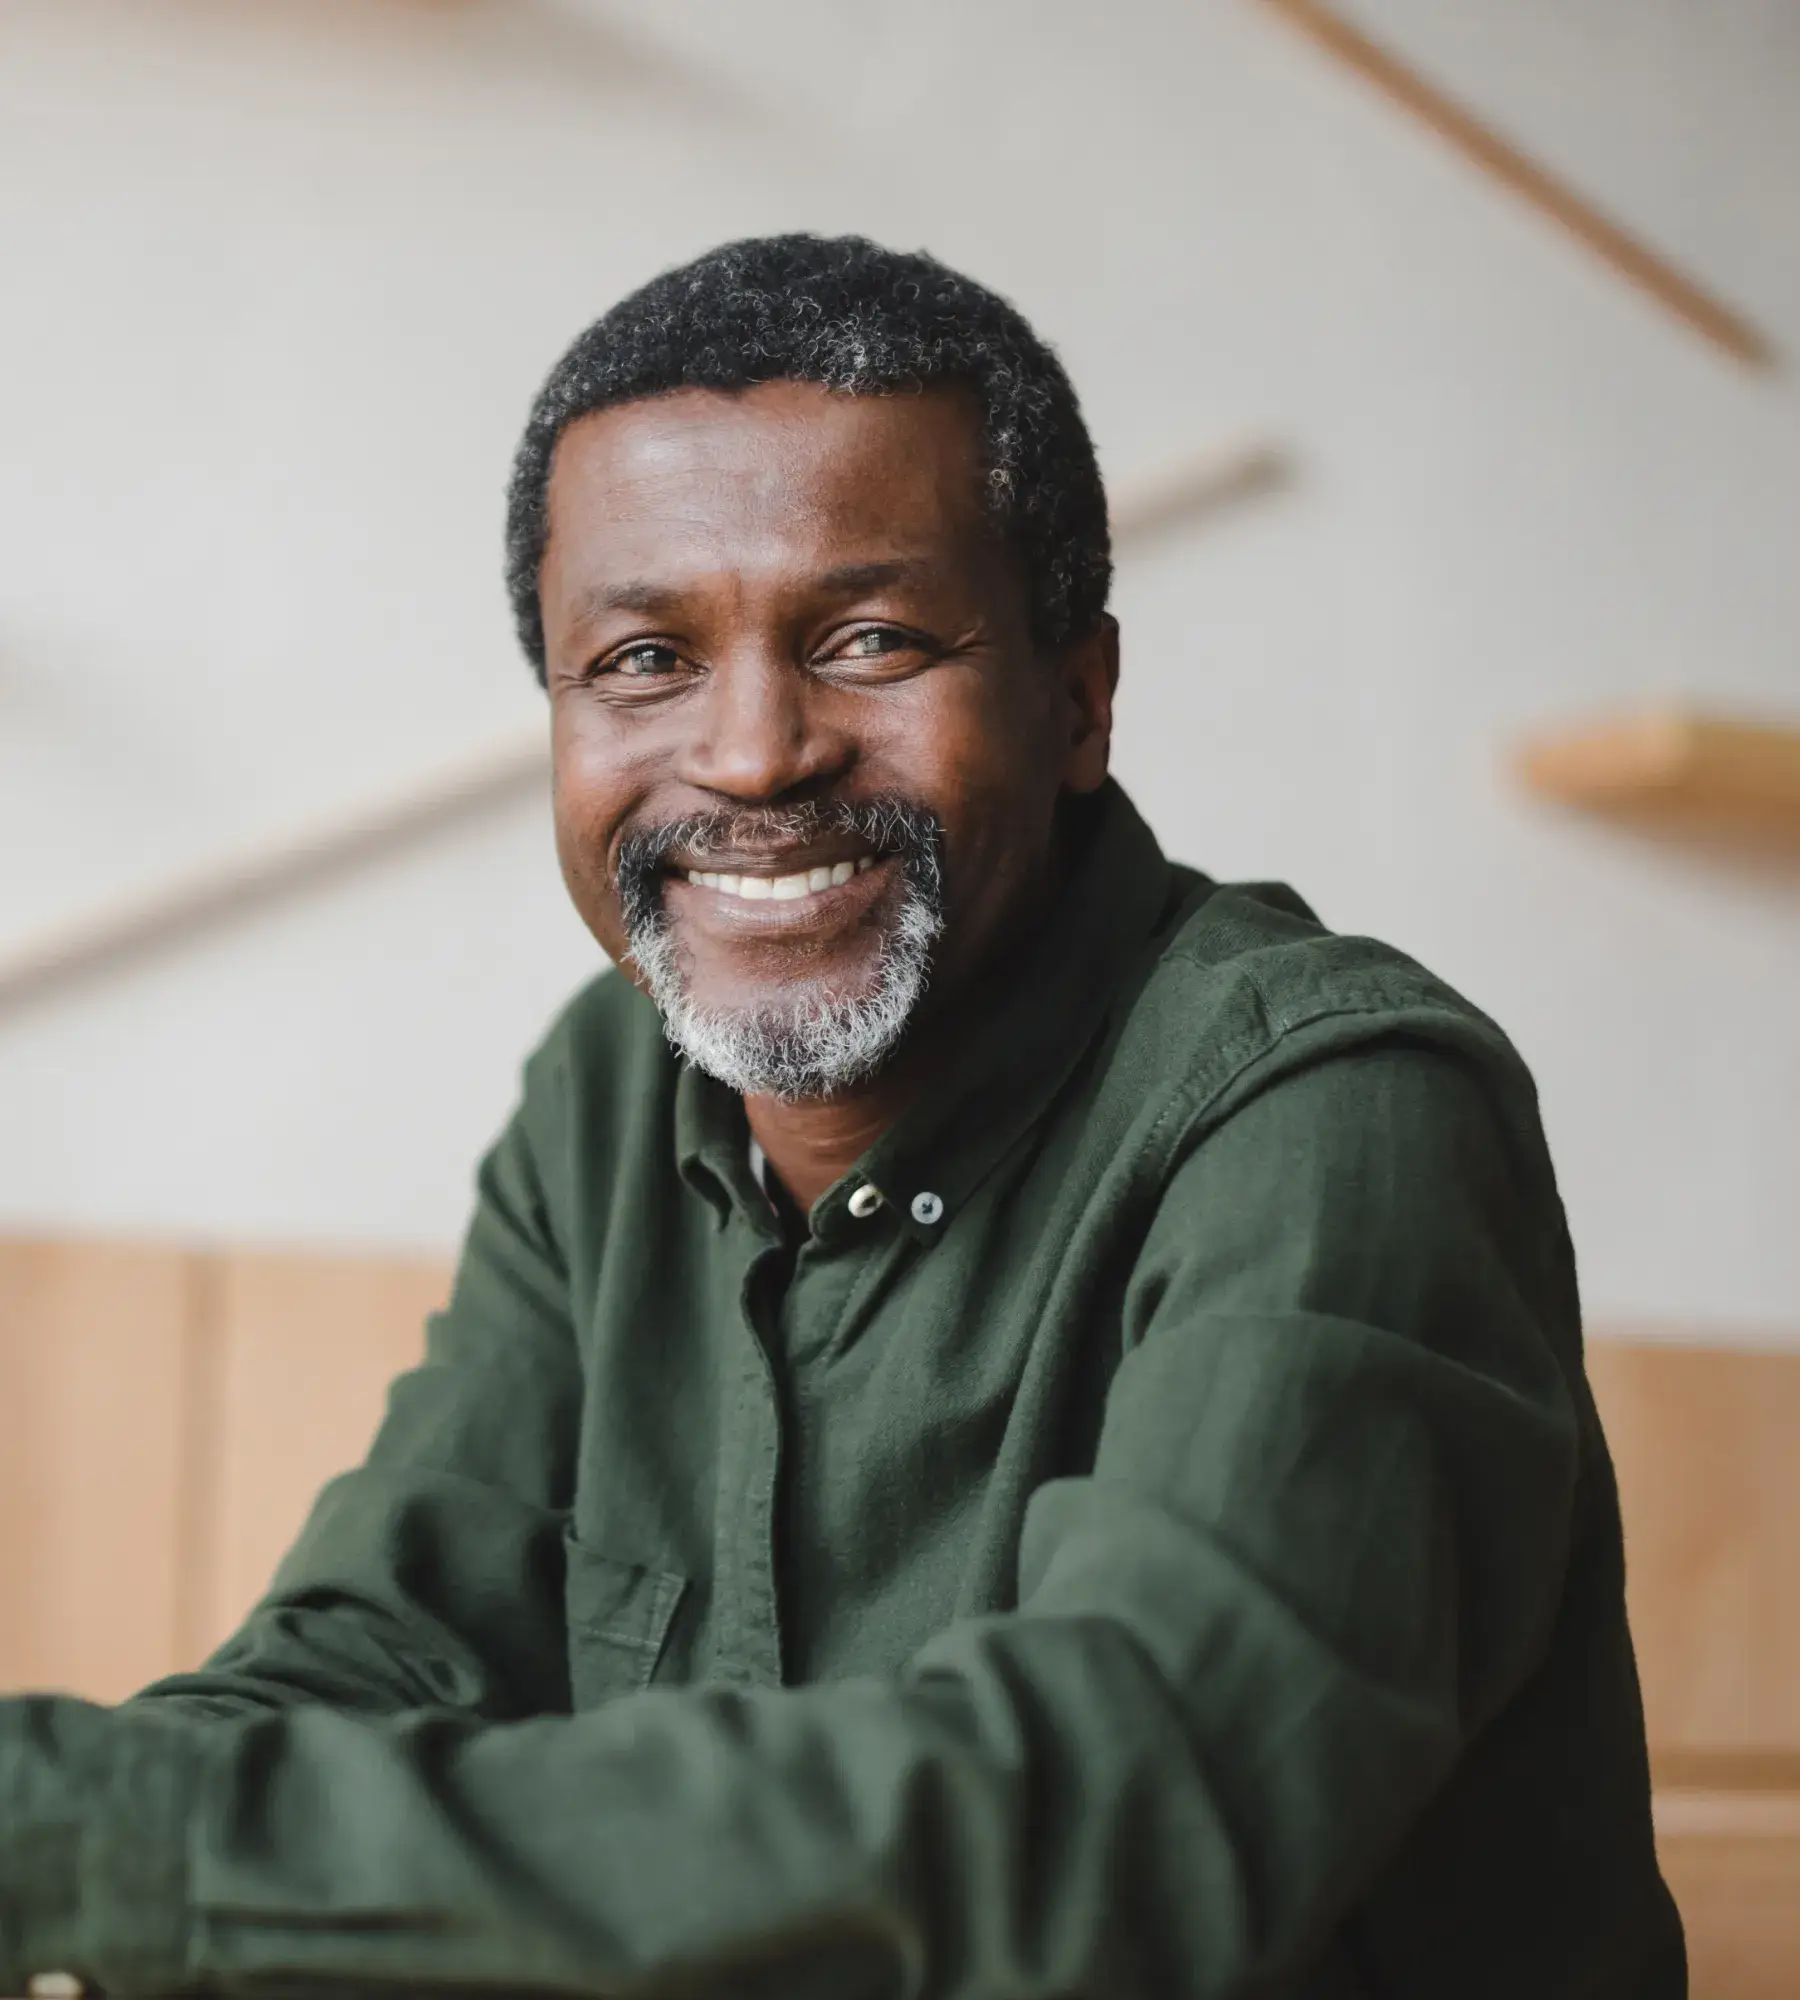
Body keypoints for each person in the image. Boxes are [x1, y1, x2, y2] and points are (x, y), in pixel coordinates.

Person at [0, 234, 1683, 1998]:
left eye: (870, 640)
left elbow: (1119, 1820)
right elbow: (376, 1656)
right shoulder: (612, 1090)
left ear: (1078, 701)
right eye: (643, 658)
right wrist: (73, 1855)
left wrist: (109, 1847)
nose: (751, 755)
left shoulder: (1334, 1110)